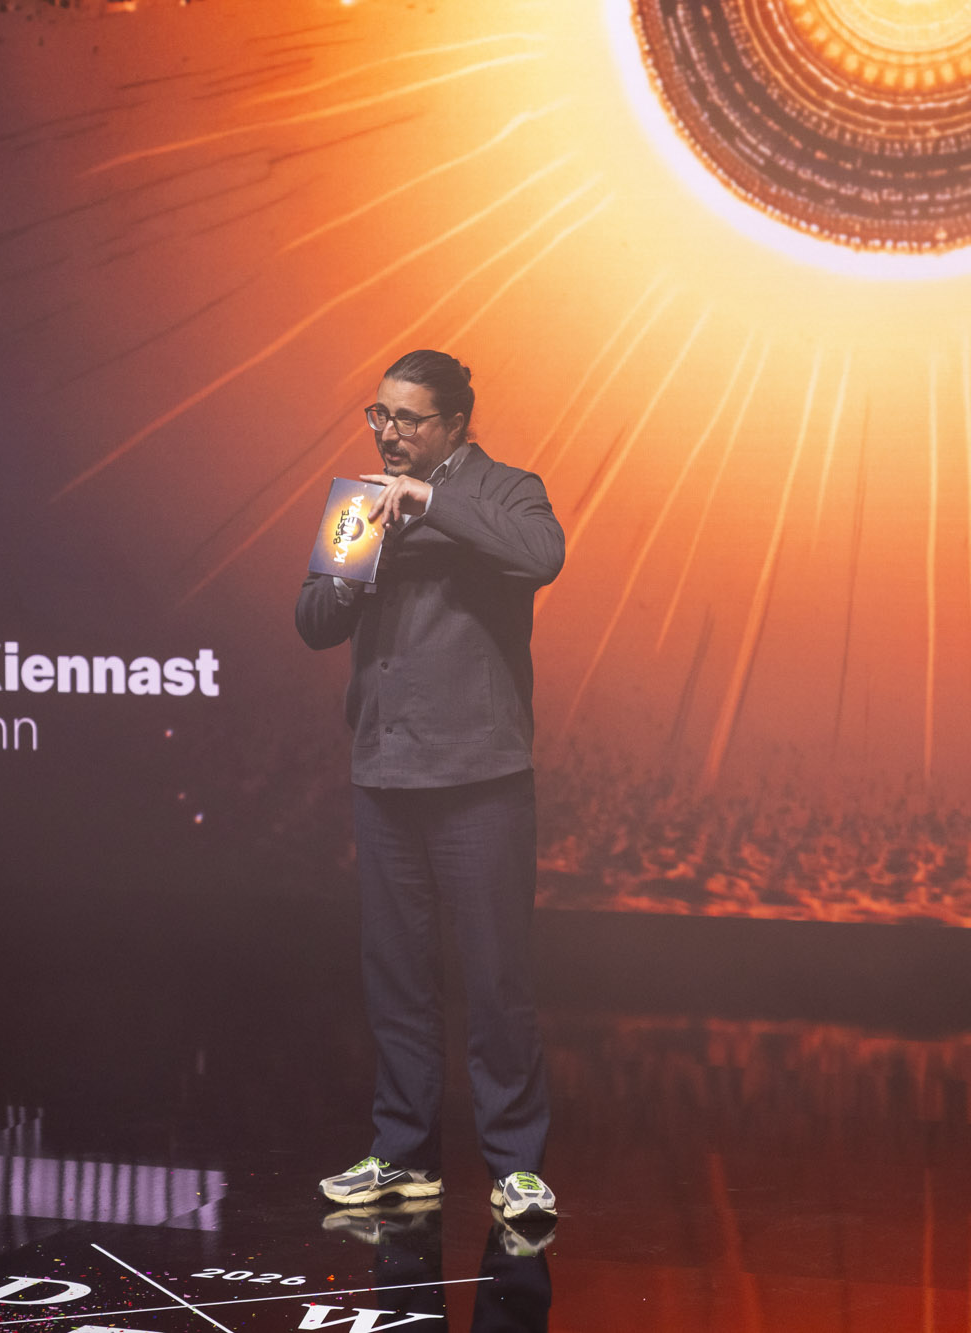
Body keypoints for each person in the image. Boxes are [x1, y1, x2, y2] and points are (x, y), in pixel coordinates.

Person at [295, 348, 563, 1224]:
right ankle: (402, 1154)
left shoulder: (506, 491)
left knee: (495, 977)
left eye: (407, 419)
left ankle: (516, 1164)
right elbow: (312, 620)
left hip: (481, 779)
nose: (389, 432)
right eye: (380, 415)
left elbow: (543, 555)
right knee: (397, 978)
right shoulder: (359, 502)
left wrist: (432, 503)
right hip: (385, 772)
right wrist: (362, 552)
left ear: (454, 422)